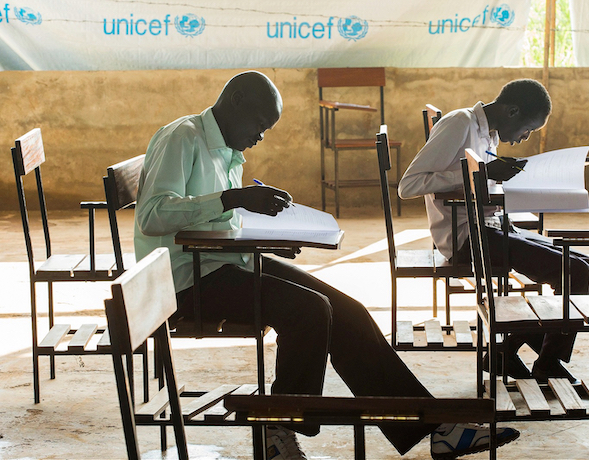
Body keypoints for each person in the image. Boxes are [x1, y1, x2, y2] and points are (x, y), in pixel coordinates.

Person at [134, 71, 519, 460]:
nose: (261, 136)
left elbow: (214, 217)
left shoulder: (224, 147)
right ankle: (278, 431)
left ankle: (436, 429)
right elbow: (152, 215)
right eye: (260, 125)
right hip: (184, 281)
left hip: (224, 262)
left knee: (348, 310)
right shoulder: (182, 137)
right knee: (308, 311)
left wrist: (268, 236)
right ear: (235, 101)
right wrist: (233, 198)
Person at [398, 79, 589, 383]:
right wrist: (482, 172)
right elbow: (409, 185)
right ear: (512, 111)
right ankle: (545, 362)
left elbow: (479, 183)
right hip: (465, 237)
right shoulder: (459, 123)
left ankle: (506, 350)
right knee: (576, 273)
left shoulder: (489, 136)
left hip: (494, 226)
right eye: (527, 130)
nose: (523, 137)